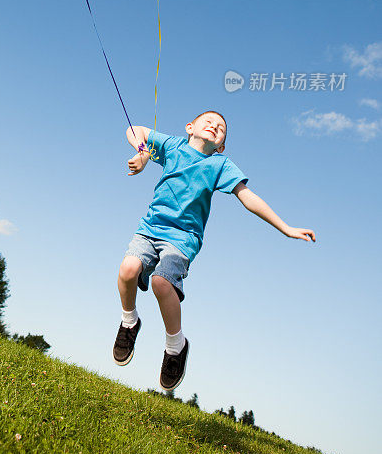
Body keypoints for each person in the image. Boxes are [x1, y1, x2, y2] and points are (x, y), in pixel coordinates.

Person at [113, 111, 316, 391]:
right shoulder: (173, 145)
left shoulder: (219, 164)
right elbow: (135, 129)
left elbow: (249, 198)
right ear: (190, 128)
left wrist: (286, 227)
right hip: (150, 228)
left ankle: (176, 346)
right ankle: (129, 322)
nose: (214, 126)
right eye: (208, 121)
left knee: (161, 283)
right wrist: (143, 153)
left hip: (183, 238)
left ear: (221, 145)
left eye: (221, 128)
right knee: (127, 269)